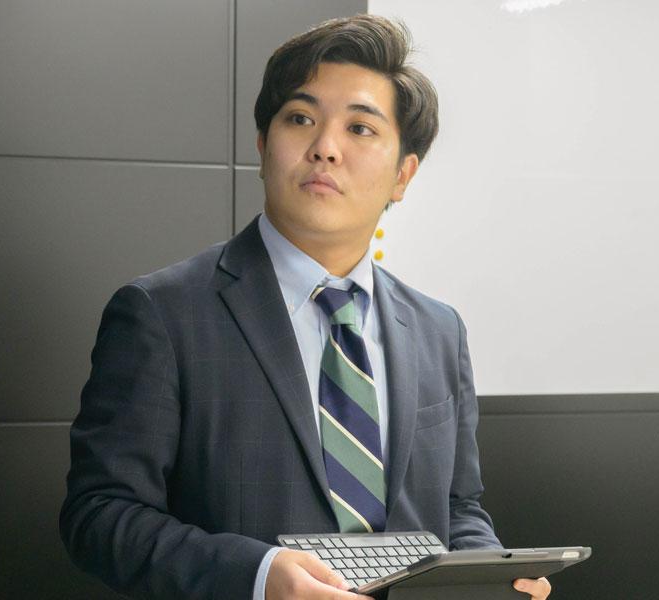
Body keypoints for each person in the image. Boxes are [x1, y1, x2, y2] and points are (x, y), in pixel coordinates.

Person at [59, 15, 552, 600]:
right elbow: (99, 513)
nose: (325, 148)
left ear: (403, 175)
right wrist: (257, 575)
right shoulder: (161, 315)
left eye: (360, 128)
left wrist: (489, 576)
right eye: (300, 119)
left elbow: (457, 507)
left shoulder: (439, 329)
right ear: (263, 146)